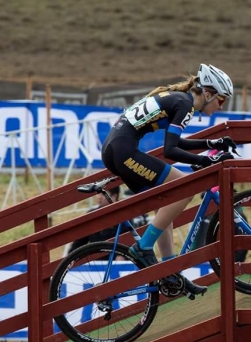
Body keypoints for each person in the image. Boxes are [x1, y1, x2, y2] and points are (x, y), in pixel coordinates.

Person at [100, 63, 235, 297]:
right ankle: (143, 247)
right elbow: (170, 150)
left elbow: (177, 142)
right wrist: (205, 162)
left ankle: (170, 269)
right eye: (221, 100)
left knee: (169, 199)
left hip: (115, 149)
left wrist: (210, 144)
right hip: (122, 151)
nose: (220, 106)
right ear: (208, 93)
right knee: (185, 189)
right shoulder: (185, 104)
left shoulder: (179, 99)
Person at [67, 185, 148, 253]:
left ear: (114, 196)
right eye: (98, 194)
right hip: (95, 260)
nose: (99, 197)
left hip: (118, 258)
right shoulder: (91, 214)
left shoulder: (124, 215)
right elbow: (79, 242)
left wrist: (120, 256)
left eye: (102, 194)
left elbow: (130, 241)